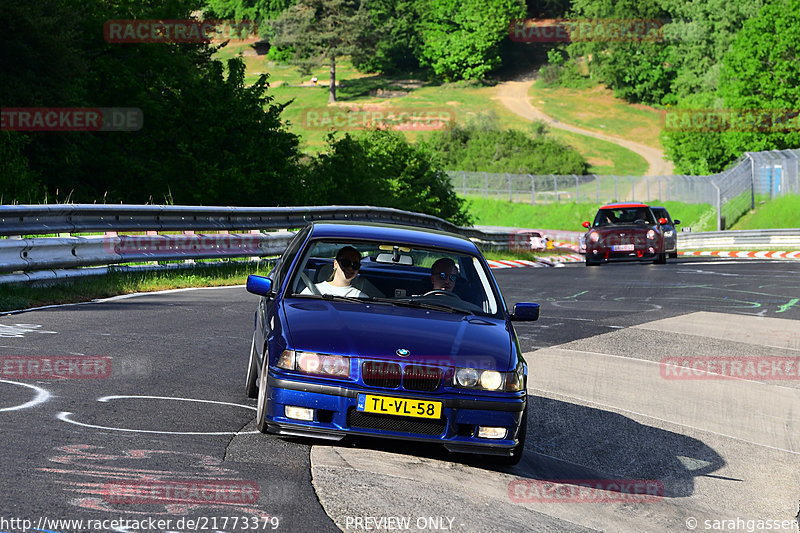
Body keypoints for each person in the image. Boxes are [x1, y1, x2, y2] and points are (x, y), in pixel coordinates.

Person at [302, 246, 367, 297]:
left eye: (355, 265)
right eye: (345, 263)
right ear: (335, 263)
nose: (350, 268)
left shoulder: (362, 298)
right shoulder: (311, 291)